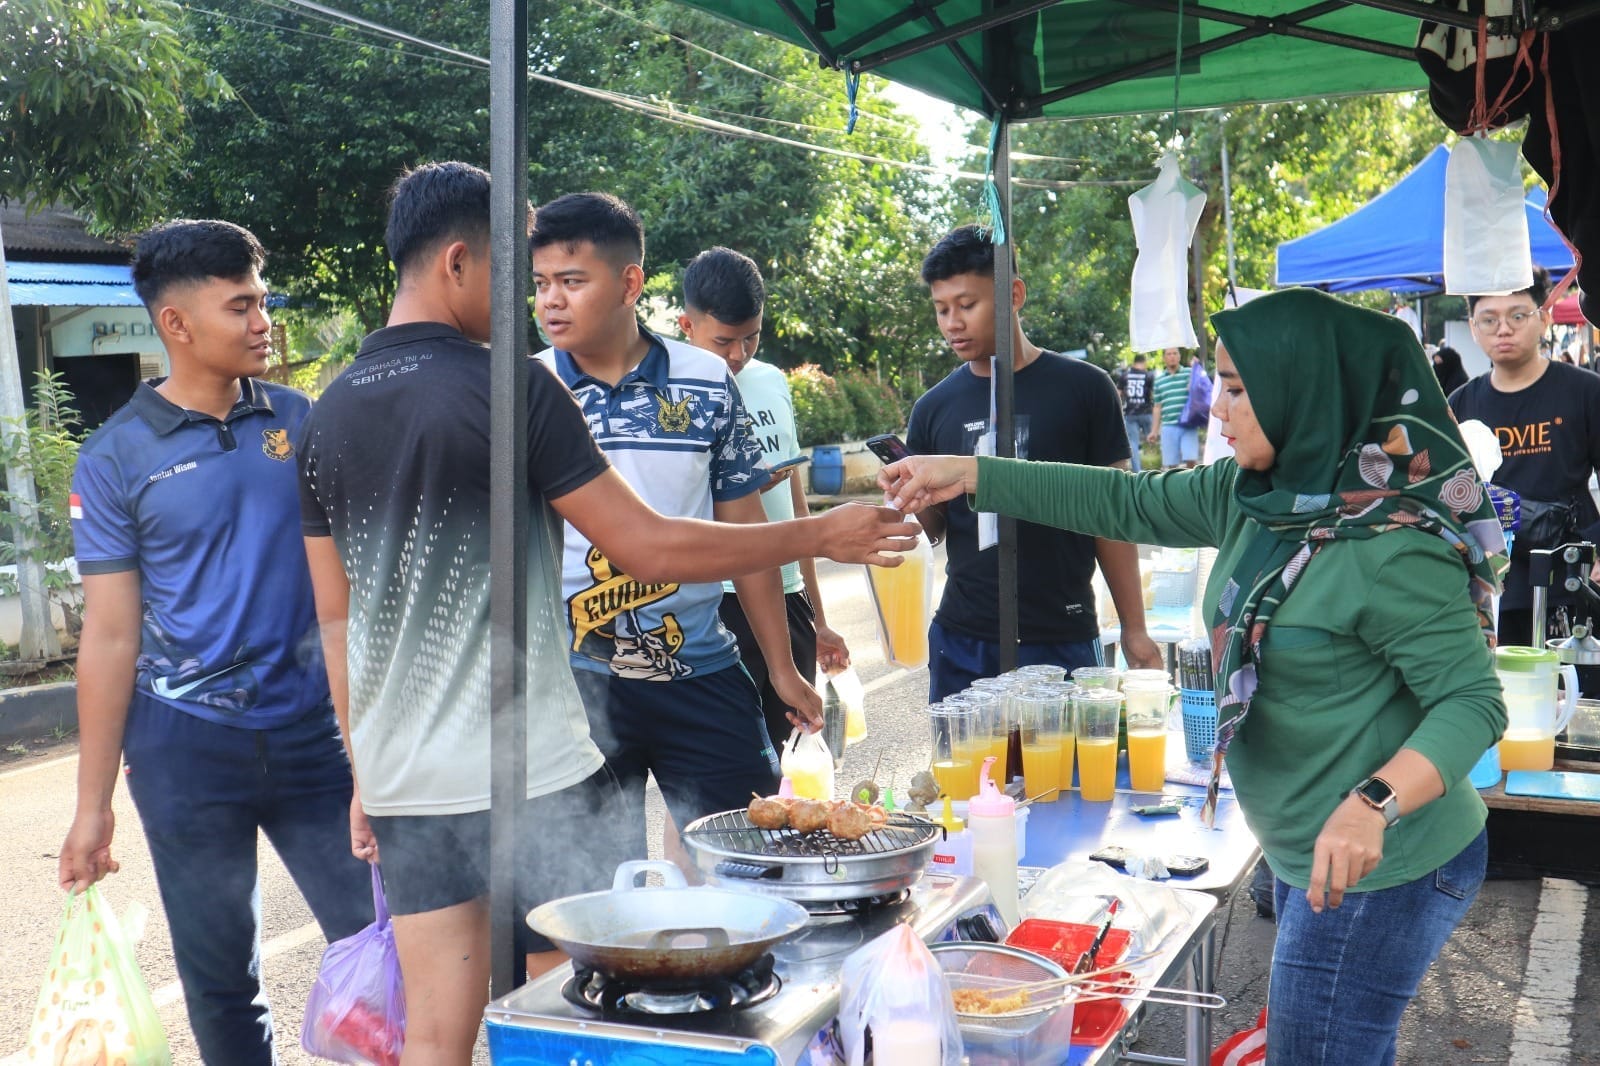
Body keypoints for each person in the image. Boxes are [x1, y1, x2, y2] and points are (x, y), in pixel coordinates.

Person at [296, 162, 914, 1064]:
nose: (527, 299)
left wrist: (365, 769)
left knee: (436, 1033)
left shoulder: (325, 416)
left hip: (406, 777)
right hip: (536, 765)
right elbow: (651, 547)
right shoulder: (512, 390)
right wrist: (821, 533)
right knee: (573, 1003)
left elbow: (336, 621)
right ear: (459, 260)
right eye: (515, 271)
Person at [881, 287, 1507, 1065]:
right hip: (1304, 845)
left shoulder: (1389, 545)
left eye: (1241, 391)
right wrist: (972, 473)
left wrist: (1372, 805)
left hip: (1389, 862)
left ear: (1309, 392)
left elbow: (1473, 701)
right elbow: (1124, 499)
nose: (1218, 412)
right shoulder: (1257, 499)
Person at [60, 219, 373, 1064]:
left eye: (263, 300)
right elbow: (111, 636)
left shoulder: (305, 421)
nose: (263, 320)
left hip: (317, 736)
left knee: (379, 940)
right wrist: (93, 810)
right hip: (186, 749)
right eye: (241, 306)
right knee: (221, 981)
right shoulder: (116, 457)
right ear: (176, 324)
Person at [529, 193, 820, 873]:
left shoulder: (707, 380)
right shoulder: (525, 388)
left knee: (751, 866)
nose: (551, 302)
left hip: (702, 668)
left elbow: (743, 525)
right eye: (541, 284)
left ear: (630, 282)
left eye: (572, 281)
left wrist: (779, 668)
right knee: (593, 886)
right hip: (577, 684)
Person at [908, 224, 1161, 699]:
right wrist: (909, 496)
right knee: (969, 774)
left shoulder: (1084, 389)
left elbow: (1113, 517)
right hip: (963, 637)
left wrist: (1135, 629)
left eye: (967, 305)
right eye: (941, 309)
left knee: (1064, 775)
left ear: (1014, 295)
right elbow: (936, 529)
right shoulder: (933, 408)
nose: (952, 323)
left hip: (1060, 634)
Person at [678, 246, 852, 751]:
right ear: (687, 326)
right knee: (709, 776)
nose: (739, 354)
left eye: (751, 337)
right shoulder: (667, 392)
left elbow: (795, 510)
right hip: (714, 604)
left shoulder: (773, 381)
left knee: (791, 764)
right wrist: (741, 489)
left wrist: (818, 618)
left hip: (786, 596)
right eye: (724, 340)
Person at [1448, 267, 1600, 652]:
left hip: (1573, 576)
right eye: (1489, 319)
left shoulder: (1584, 391)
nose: (1504, 329)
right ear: (1473, 326)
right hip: (1491, 585)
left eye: (1518, 315)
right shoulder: (1459, 404)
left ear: (1543, 318)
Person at [1149, 346, 1200, 469]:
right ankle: (1175, 487)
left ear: (1179, 356)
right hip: (1168, 425)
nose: (1172, 356)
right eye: (1169, 354)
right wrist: (1154, 431)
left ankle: (1192, 486)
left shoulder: (1189, 372)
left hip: (1188, 423)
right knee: (1171, 465)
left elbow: (1198, 390)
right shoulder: (1159, 381)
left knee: (1191, 460)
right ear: (1164, 358)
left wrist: (1196, 369)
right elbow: (1157, 407)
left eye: (1175, 353)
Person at [1114, 351, 1156, 473]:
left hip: (1130, 413)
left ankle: (1137, 472)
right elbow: (1154, 394)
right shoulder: (1148, 376)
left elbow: (1118, 394)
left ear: (1134, 362)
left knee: (1133, 444)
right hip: (1147, 412)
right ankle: (1152, 469)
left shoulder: (1125, 376)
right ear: (1144, 362)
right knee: (1151, 441)